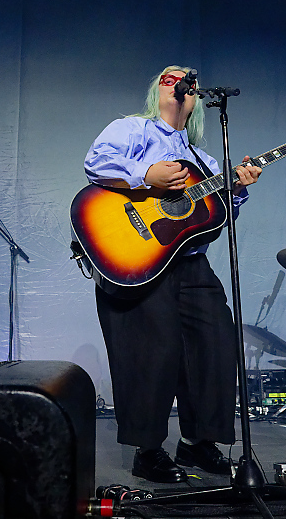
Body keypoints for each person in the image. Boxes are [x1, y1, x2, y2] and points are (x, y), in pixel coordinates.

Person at [84, 67, 262, 483]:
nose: (177, 79)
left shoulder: (206, 161)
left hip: (190, 262)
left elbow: (211, 219)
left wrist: (234, 189)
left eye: (185, 79)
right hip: (141, 260)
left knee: (216, 343)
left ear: (195, 96)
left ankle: (198, 443)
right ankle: (148, 452)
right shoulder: (133, 129)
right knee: (152, 353)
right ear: (157, 89)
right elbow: (96, 164)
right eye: (167, 76)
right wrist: (147, 176)